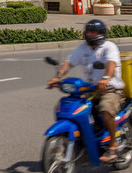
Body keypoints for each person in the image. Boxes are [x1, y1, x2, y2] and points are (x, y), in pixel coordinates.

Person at [48, 18, 125, 163]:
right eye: (88, 31)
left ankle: (113, 146)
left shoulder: (109, 47)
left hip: (110, 89)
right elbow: (69, 63)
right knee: (73, 109)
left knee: (105, 109)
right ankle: (82, 143)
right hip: (92, 89)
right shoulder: (83, 49)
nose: (90, 34)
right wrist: (57, 77)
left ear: (101, 33)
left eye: (93, 31)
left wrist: (106, 78)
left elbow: (112, 64)